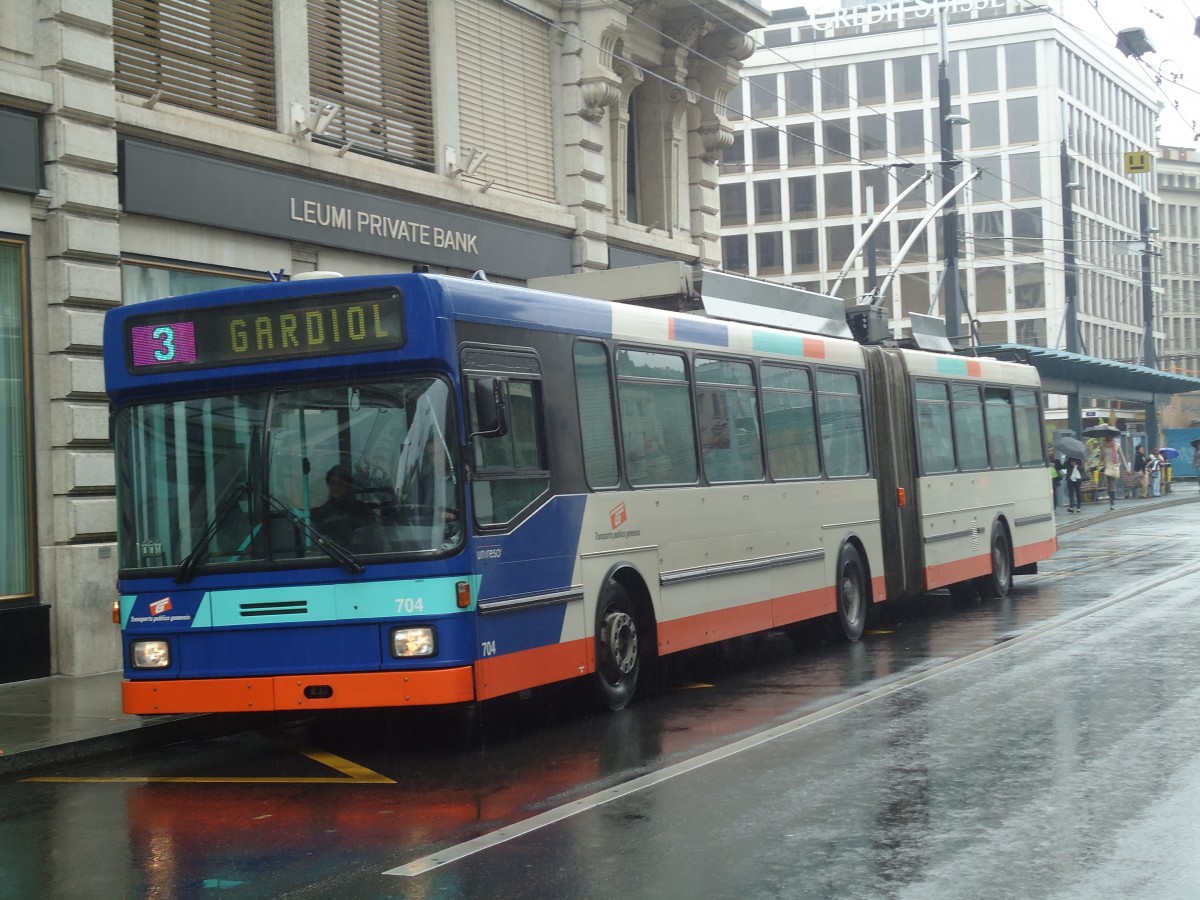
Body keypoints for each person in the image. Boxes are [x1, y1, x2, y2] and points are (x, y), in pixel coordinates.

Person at [312, 464, 373, 545]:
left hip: (361, 555)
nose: (336, 487)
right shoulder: (321, 513)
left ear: (349, 485)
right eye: (332, 483)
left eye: (341, 484)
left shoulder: (362, 509)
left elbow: (372, 535)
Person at [1098, 435, 1125, 510]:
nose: (1110, 438)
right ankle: (1111, 498)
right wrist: (1102, 449)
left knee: (1112, 484)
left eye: (1111, 436)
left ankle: (1112, 501)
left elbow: (1122, 457)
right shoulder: (1103, 446)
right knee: (1108, 485)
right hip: (1107, 467)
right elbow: (1101, 458)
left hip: (1114, 466)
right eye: (1109, 436)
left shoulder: (1117, 445)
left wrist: (1127, 468)